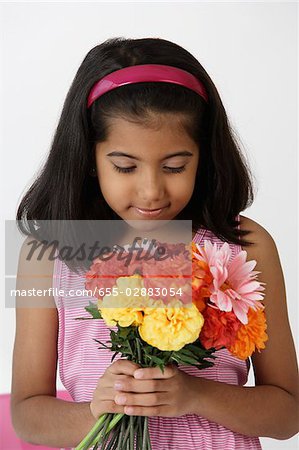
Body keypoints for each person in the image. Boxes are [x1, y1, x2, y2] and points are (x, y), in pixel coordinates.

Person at [11, 37, 298, 449]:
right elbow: (26, 415)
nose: (151, 192)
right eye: (125, 167)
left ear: (205, 155)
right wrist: (96, 410)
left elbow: (287, 414)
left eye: (175, 166)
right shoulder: (45, 253)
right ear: (89, 159)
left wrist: (196, 394)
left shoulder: (246, 246)